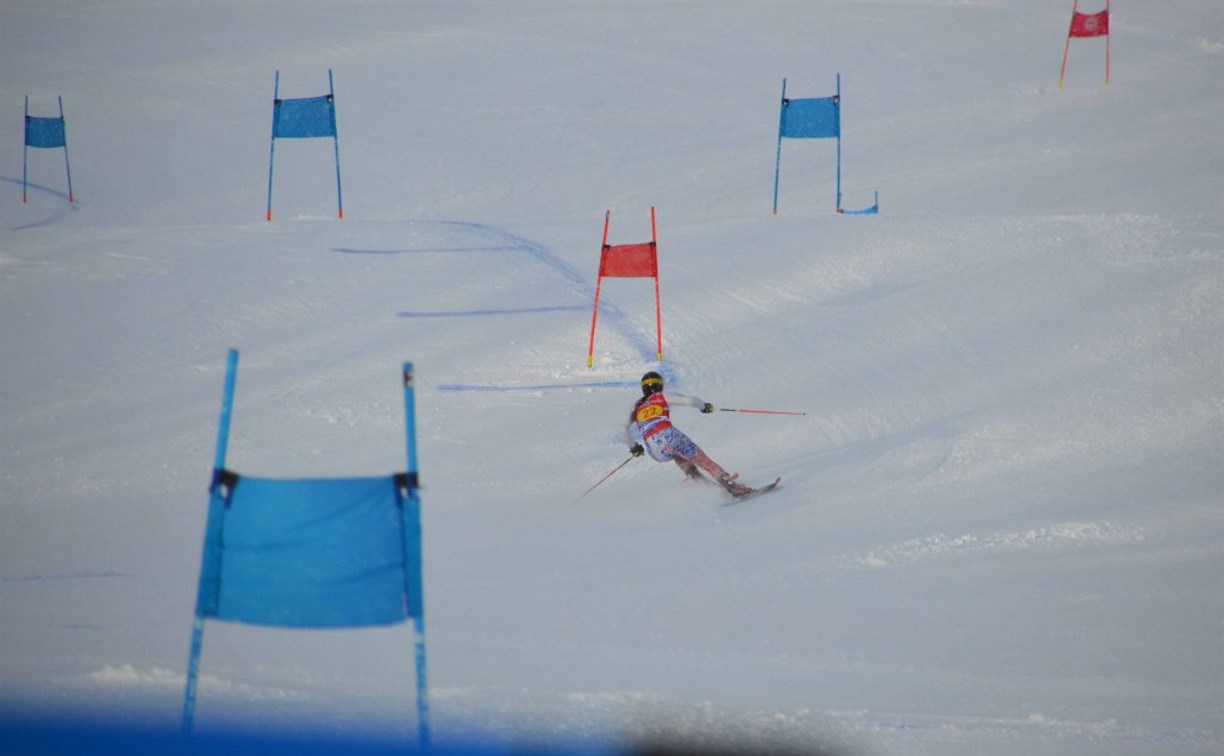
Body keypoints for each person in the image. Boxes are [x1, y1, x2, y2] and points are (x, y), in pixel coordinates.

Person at [624, 370, 750, 494]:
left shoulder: (635, 406)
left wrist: (634, 447)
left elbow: (622, 428)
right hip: (668, 435)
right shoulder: (661, 396)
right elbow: (689, 401)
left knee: (677, 454)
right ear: (660, 385)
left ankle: (707, 488)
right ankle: (731, 485)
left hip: (654, 450)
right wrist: (704, 406)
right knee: (700, 458)